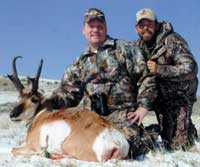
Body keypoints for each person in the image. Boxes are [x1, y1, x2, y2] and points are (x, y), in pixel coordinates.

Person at [47, 8, 158, 158]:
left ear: (106, 28)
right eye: (91, 26)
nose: (95, 30)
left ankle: (149, 135)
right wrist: (46, 103)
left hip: (123, 117)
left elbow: (146, 77)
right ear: (83, 30)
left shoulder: (125, 49)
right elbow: (69, 93)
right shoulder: (79, 63)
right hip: (91, 121)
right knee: (83, 148)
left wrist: (143, 106)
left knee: (124, 149)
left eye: (100, 27)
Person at [134, 8, 198, 150]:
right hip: (159, 98)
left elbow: (191, 68)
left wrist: (160, 69)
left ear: (156, 25)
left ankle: (190, 136)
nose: (145, 28)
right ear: (136, 28)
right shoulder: (137, 47)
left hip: (180, 96)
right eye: (141, 25)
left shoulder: (172, 40)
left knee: (179, 147)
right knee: (168, 140)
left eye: (149, 24)